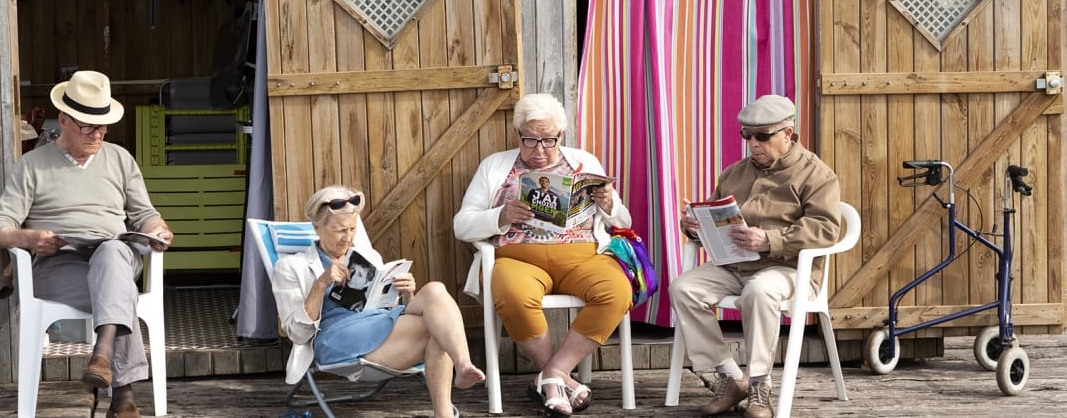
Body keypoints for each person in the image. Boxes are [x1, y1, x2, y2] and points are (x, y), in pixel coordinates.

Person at [0, 70, 173, 418]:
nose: (97, 134)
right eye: (88, 126)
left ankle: (102, 354)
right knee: (119, 292)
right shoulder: (32, 165)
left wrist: (158, 230)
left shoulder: (120, 159)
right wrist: (30, 238)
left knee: (114, 251)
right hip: (60, 263)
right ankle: (123, 399)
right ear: (65, 120)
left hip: (114, 255)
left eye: (103, 127)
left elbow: (145, 214)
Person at [453, 92, 632, 418]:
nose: (539, 150)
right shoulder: (494, 165)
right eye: (530, 140)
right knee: (510, 291)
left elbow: (623, 222)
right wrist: (500, 216)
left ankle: (552, 374)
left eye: (548, 140)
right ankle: (559, 379)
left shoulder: (585, 161)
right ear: (517, 134)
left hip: (583, 258)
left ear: (560, 135)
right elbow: (461, 225)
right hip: (518, 260)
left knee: (618, 289)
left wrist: (608, 204)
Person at [669, 94, 841, 418]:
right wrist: (693, 225)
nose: (753, 144)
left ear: (788, 134)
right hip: (735, 265)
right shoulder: (734, 173)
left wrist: (769, 240)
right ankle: (731, 376)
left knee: (759, 291)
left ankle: (761, 387)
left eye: (762, 136)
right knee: (683, 289)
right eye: (746, 135)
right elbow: (713, 216)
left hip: (788, 270)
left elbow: (827, 229)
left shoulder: (816, 174)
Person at [271, 186, 485, 418]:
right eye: (340, 230)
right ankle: (452, 391)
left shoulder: (368, 258)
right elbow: (297, 334)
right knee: (439, 327)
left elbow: (386, 308)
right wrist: (321, 283)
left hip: (377, 325)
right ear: (317, 228)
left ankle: (461, 369)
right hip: (335, 338)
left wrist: (406, 294)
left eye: (352, 228)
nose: (348, 237)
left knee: (435, 290)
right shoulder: (291, 267)